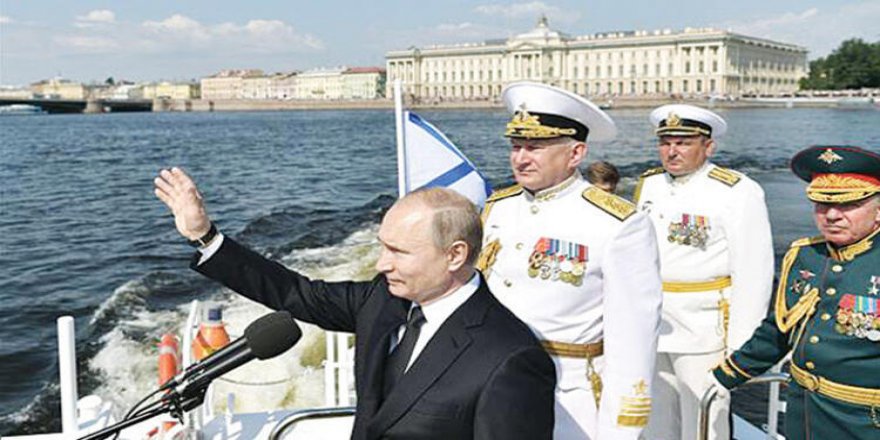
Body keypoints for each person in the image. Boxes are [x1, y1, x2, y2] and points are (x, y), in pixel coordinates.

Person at [153, 169, 556, 440]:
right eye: (382, 247)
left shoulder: (510, 358)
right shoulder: (382, 300)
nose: (382, 264)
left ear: (455, 255)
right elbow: (295, 293)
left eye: (399, 252)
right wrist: (206, 236)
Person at [476, 81, 662, 439]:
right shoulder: (499, 207)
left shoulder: (618, 224)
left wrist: (620, 430)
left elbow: (633, 339)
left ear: (575, 153)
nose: (520, 158)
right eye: (516, 146)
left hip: (568, 400)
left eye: (535, 147)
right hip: (493, 386)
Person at [712, 145, 880, 440]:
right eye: (821, 204)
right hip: (804, 411)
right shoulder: (806, 256)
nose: (831, 215)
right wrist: (727, 374)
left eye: (848, 205)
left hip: (865, 421)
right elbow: (781, 328)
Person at [634, 104, 774, 440]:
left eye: (683, 143)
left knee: (704, 421)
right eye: (665, 142)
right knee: (654, 422)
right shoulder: (649, 185)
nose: (672, 151)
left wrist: (741, 346)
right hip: (652, 324)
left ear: (708, 146)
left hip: (704, 329)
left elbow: (753, 273)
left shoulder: (737, 191)